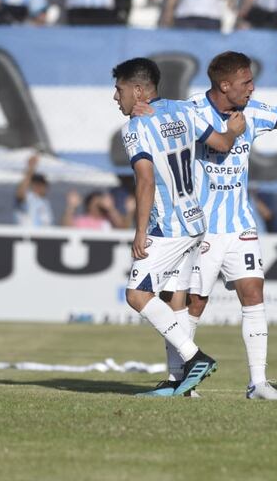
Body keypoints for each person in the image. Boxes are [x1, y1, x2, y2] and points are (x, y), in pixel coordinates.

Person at [134, 51, 277, 399]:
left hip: (240, 225)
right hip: (202, 228)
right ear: (224, 84)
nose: (252, 87)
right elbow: (161, 112)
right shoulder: (190, 112)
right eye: (246, 82)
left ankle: (258, 383)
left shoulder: (253, 111)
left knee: (253, 293)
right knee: (190, 304)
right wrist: (146, 108)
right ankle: (179, 381)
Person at [113, 56, 244, 397]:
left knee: (137, 295)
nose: (116, 97)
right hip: (195, 221)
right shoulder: (183, 110)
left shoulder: (135, 128)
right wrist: (234, 130)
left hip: (167, 227)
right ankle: (179, 384)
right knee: (175, 301)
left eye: (120, 89)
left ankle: (193, 357)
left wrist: (140, 231)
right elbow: (222, 144)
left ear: (138, 91)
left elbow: (145, 181)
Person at [15, 154, 53, 227]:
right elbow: (21, 192)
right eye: (39, 185)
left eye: (44, 185)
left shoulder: (45, 202)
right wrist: (31, 168)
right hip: (27, 237)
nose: (43, 188)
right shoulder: (29, 198)